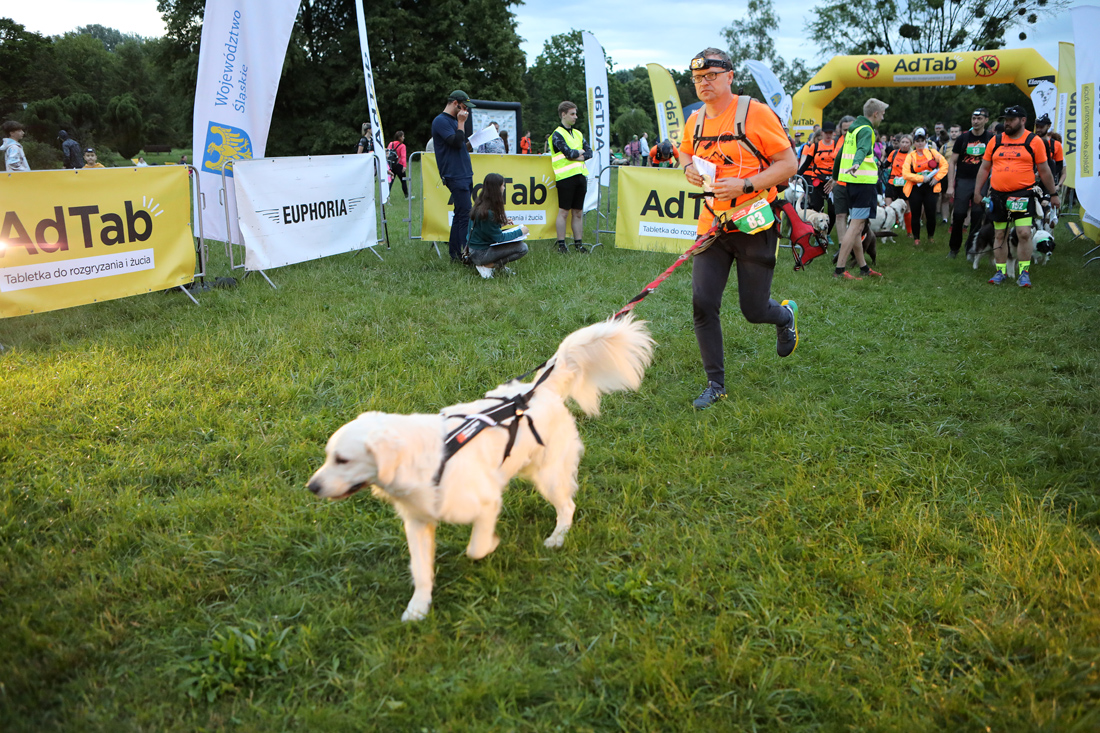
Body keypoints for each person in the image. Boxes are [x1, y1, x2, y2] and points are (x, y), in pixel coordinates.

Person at [678, 48, 799, 409]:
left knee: (753, 309)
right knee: (703, 303)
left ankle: (784, 316)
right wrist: (688, 168)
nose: (704, 83)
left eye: (711, 76)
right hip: (712, 226)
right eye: (698, 78)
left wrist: (745, 185)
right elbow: (684, 152)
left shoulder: (755, 113)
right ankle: (715, 384)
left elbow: (788, 163)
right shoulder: (695, 120)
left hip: (754, 223)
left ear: (730, 77)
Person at [973, 105, 1059, 287]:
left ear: (1023, 120)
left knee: (1024, 233)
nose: (1007, 123)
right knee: (999, 234)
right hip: (998, 196)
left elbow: (1044, 170)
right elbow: (984, 167)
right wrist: (977, 191)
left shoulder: (1034, 141)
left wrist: (1053, 194)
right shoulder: (996, 141)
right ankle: (1001, 271)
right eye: (1006, 120)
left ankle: (1024, 273)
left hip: (1022, 195)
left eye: (1011, 120)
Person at [833, 98, 889, 279]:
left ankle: (863, 267)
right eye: (882, 114)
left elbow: (840, 155)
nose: (883, 117)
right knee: (856, 226)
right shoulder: (866, 130)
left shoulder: (853, 129)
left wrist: (835, 177)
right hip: (863, 183)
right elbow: (863, 149)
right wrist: (857, 163)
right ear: (875, 114)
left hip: (850, 183)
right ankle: (840, 270)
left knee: (856, 226)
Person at [432, 90, 476, 263]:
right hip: (454, 174)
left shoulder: (454, 121)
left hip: (464, 173)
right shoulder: (441, 121)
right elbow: (456, 142)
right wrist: (461, 123)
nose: (466, 111)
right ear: (455, 103)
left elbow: (460, 145)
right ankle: (464, 254)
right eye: (464, 107)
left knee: (460, 213)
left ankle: (455, 254)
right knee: (465, 214)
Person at [946, 108, 994, 258]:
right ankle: (954, 249)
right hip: (963, 180)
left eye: (979, 118)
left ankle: (971, 249)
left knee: (977, 216)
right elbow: (952, 162)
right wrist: (950, 185)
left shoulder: (991, 138)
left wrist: (992, 185)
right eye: (974, 118)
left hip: (982, 181)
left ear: (986, 120)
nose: (976, 121)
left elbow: (995, 162)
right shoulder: (963, 138)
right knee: (959, 215)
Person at [466, 172, 530, 278]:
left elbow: (485, 230)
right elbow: (499, 238)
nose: (504, 188)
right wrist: (520, 232)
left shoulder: (480, 204)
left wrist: (500, 224)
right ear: (497, 188)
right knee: (522, 248)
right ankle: (488, 266)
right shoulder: (488, 212)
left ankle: (495, 266)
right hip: (480, 254)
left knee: (515, 242)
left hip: (474, 250)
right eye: (503, 185)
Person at [550, 100, 593, 254]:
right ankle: (561, 245)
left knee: (578, 212)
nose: (576, 117)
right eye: (572, 114)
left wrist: (577, 154)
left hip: (580, 177)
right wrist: (579, 153)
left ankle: (578, 244)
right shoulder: (557, 134)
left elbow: (589, 153)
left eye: (576, 114)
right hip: (565, 178)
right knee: (563, 212)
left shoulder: (578, 133)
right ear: (563, 114)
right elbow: (569, 153)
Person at [901, 128, 948, 247]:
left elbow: (944, 165)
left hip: (931, 187)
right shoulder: (910, 156)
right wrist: (921, 178)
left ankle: (930, 237)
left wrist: (936, 178)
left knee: (931, 213)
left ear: (925, 141)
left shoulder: (933, 153)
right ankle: (916, 238)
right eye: (917, 141)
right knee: (915, 214)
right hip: (915, 187)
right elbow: (905, 174)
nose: (920, 143)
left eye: (922, 141)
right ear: (914, 143)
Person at [798, 120, 839, 232]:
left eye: (830, 133)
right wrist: (797, 175)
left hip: (832, 182)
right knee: (816, 209)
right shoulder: (815, 146)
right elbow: (806, 163)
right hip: (818, 181)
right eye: (826, 133)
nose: (828, 135)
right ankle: (815, 232)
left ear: (833, 133)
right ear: (822, 133)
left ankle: (827, 233)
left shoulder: (837, 146)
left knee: (832, 210)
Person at [1035, 114, 1066, 189]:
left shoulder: (1056, 145)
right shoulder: (1030, 142)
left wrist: (1046, 173)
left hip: (1048, 182)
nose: (1038, 130)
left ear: (1048, 126)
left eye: (1041, 127)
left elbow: (1059, 166)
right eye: (1037, 127)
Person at [883, 134, 911, 208]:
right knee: (889, 207)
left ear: (910, 144)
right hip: (893, 182)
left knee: (906, 208)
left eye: (907, 142)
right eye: (903, 142)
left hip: (906, 183)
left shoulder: (912, 155)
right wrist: (880, 165)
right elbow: (885, 164)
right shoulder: (894, 153)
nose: (904, 144)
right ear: (900, 143)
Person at [387, 131, 409, 198]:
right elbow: (403, 156)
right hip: (399, 165)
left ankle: (387, 195)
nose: (403, 138)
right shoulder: (402, 146)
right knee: (403, 181)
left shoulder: (391, 144)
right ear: (400, 137)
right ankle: (406, 196)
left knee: (390, 181)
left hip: (391, 165)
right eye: (402, 136)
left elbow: (387, 154)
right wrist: (404, 166)